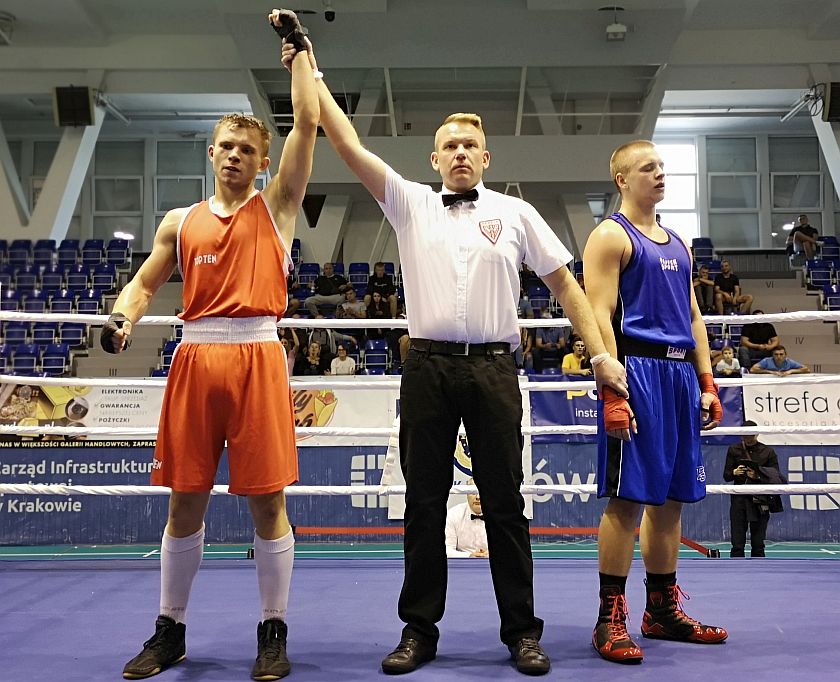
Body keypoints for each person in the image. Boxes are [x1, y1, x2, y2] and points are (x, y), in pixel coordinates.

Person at [283, 39, 628, 676]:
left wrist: (601, 355)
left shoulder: (517, 213)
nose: (462, 153)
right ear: (434, 158)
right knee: (422, 503)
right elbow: (347, 143)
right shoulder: (409, 201)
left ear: (486, 158)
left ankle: (522, 632)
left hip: (496, 368)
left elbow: (567, 287)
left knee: (505, 506)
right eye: (451, 145)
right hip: (428, 370)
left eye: (472, 145)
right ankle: (419, 630)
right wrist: (308, 66)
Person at [101, 11, 318, 681]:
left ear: (259, 161)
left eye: (246, 150)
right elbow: (142, 284)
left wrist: (301, 54)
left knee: (268, 501)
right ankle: (171, 630)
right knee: (184, 499)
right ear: (210, 151)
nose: (233, 156)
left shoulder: (278, 206)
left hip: (257, 355)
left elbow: (307, 125)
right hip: (195, 359)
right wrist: (121, 317)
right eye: (225, 145)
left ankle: (273, 630)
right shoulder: (178, 221)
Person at [583, 139, 728, 665]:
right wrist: (610, 388)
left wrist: (707, 381)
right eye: (648, 168)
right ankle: (609, 619)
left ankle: (661, 611)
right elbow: (598, 315)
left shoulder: (677, 244)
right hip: (636, 370)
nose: (660, 175)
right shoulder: (608, 237)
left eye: (662, 167)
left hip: (678, 374)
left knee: (670, 499)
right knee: (628, 499)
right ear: (622, 178)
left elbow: (693, 317)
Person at [723, 421, 782, 558]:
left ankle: (760, 576)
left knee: (758, 544)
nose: (748, 438)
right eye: (745, 435)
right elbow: (726, 476)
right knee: (737, 544)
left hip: (760, 500)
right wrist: (734, 472)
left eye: (751, 435)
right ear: (741, 435)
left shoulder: (768, 452)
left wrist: (758, 475)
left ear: (757, 433)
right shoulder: (733, 450)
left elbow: (776, 476)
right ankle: (735, 574)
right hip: (739, 500)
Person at [445, 481, 489, 558]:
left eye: (482, 492)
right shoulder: (453, 514)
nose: (478, 497)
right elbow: (447, 550)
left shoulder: (500, 515)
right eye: (473, 492)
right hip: (461, 565)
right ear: (467, 494)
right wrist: (469, 555)